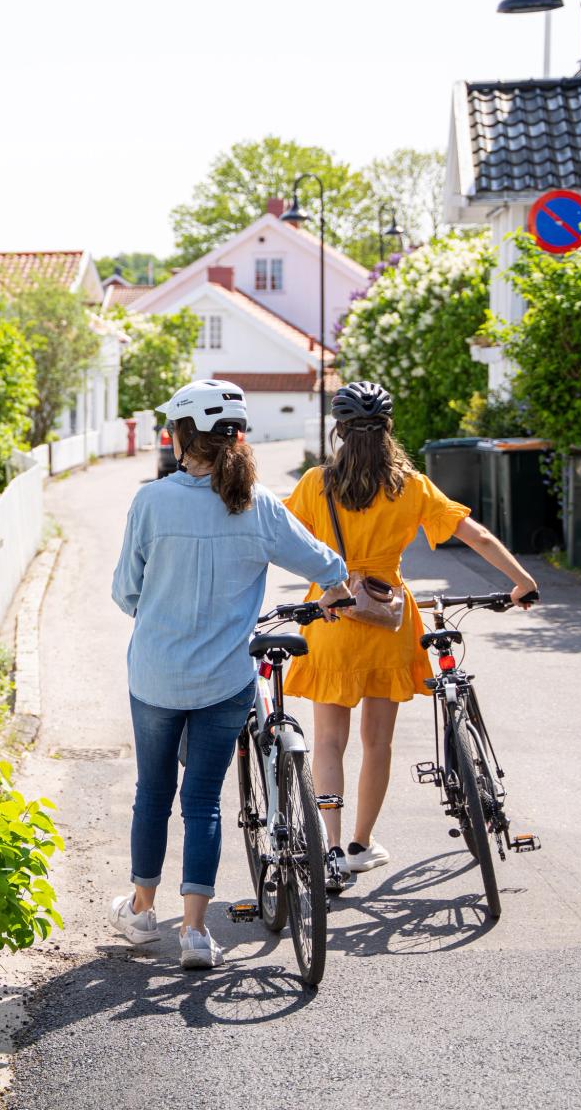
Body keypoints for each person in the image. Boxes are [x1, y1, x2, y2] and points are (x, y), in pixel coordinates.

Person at [108, 379, 351, 969]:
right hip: (224, 680)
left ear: (181, 436)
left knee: (153, 791)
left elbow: (126, 593)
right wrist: (338, 591)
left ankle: (141, 910)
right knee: (203, 802)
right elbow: (326, 564)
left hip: (157, 677)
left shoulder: (151, 502)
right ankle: (194, 932)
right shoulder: (258, 503)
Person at [282, 381, 538, 890]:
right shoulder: (410, 484)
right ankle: (360, 844)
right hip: (387, 621)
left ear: (339, 430)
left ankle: (329, 850)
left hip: (331, 617)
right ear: (388, 430)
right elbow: (474, 534)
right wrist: (521, 582)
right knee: (378, 742)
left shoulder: (317, 483)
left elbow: (280, 537)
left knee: (329, 742)